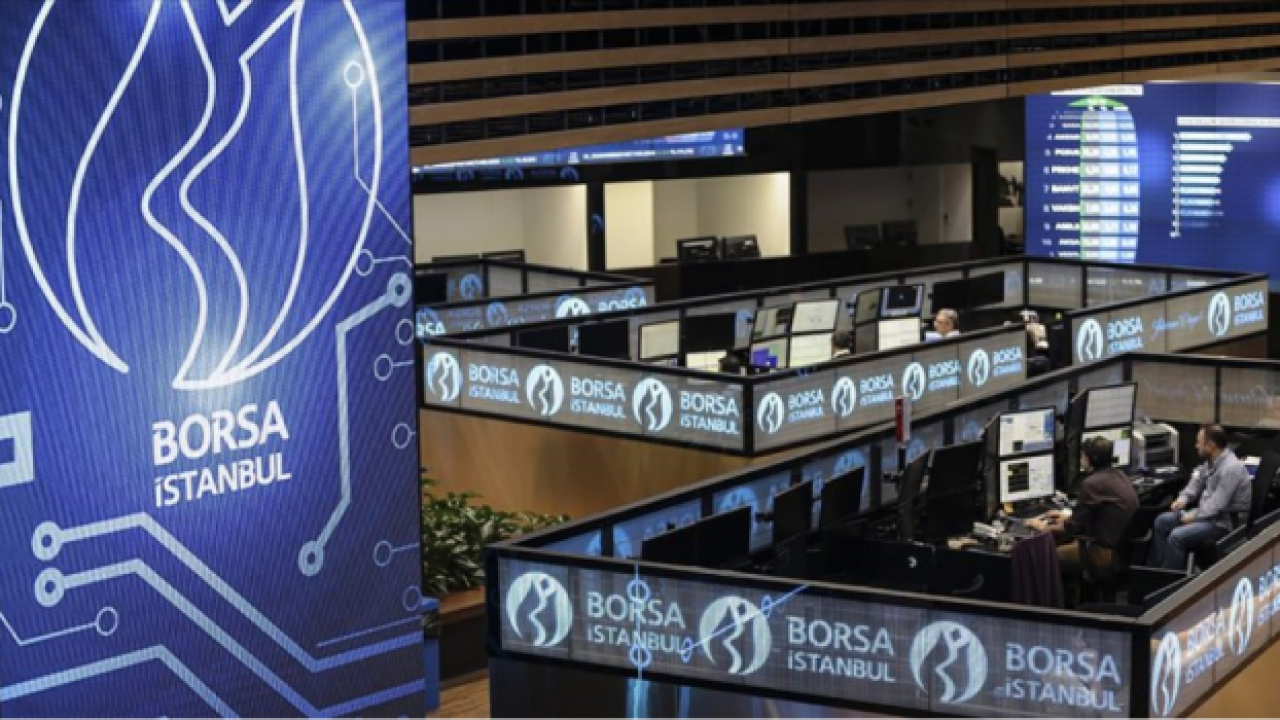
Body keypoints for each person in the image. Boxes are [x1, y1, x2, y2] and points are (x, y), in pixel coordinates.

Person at [1026, 436, 1138, 606]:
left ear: (1089, 459)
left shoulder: (1091, 484)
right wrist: (1066, 517)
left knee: (1047, 556)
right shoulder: (1120, 476)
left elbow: (1073, 529)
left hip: (1101, 553)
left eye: (1083, 456)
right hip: (1120, 550)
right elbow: (1099, 515)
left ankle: (1056, 608)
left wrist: (1042, 526)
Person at [1149, 424, 1251, 571]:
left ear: (1211, 446)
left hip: (1224, 523)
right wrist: (1183, 499)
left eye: (1199, 442)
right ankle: (1156, 572)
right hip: (1207, 516)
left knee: (1177, 536)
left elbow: (1217, 506)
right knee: (1162, 521)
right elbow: (1197, 481)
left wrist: (1193, 516)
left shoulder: (1231, 469)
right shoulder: (1212, 461)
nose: (1196, 446)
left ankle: (1169, 579)